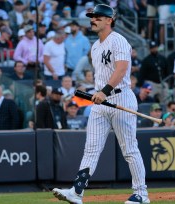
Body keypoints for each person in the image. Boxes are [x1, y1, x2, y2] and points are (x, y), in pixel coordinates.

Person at [52, 4, 150, 204]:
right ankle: (77, 191)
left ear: (109, 20)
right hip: (100, 102)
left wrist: (104, 92)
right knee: (91, 149)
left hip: (120, 97)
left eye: (98, 17)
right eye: (92, 17)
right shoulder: (95, 46)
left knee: (129, 149)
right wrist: (99, 93)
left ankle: (141, 194)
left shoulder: (119, 40)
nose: (93, 20)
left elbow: (122, 70)